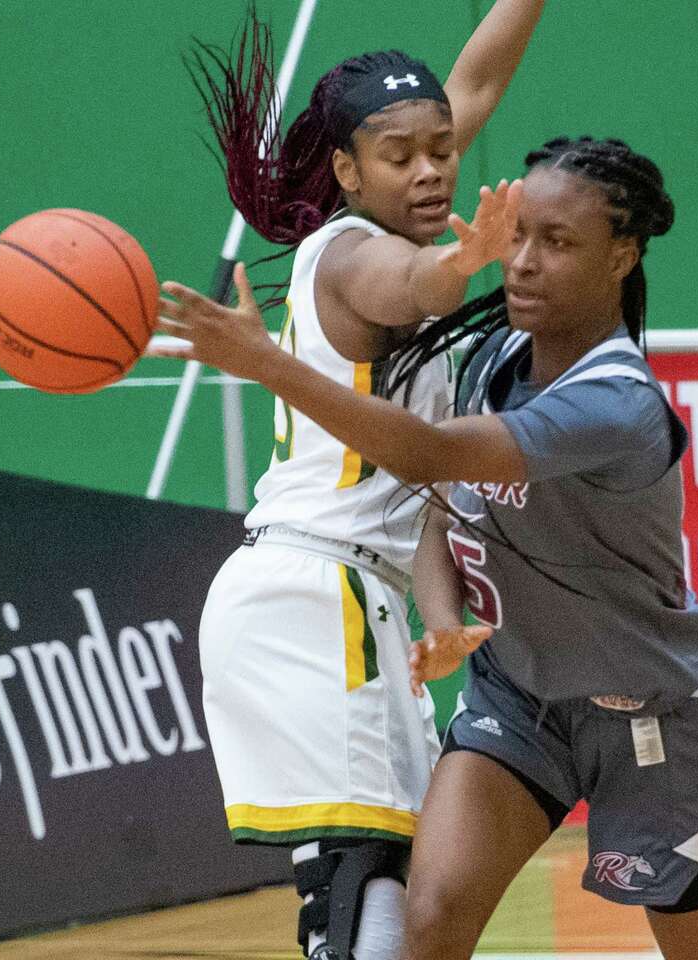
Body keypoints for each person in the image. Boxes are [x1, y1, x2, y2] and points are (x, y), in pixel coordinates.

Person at [158, 135, 698, 960]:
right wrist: (443, 620)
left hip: (649, 714)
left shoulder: (616, 404)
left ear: (623, 255)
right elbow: (442, 507)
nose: (520, 262)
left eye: (557, 243)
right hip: (518, 701)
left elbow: (430, 455)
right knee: (428, 922)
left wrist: (269, 363)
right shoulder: (496, 357)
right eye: (517, 235)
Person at [173, 5, 543, 960]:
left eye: (440, 152)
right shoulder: (352, 256)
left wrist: (439, 615)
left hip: (343, 596)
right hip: (313, 599)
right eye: (398, 156)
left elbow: (479, 80)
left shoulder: (400, 197)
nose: (429, 170)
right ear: (347, 169)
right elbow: (416, 286)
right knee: (360, 884)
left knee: (393, 882)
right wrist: (463, 261)